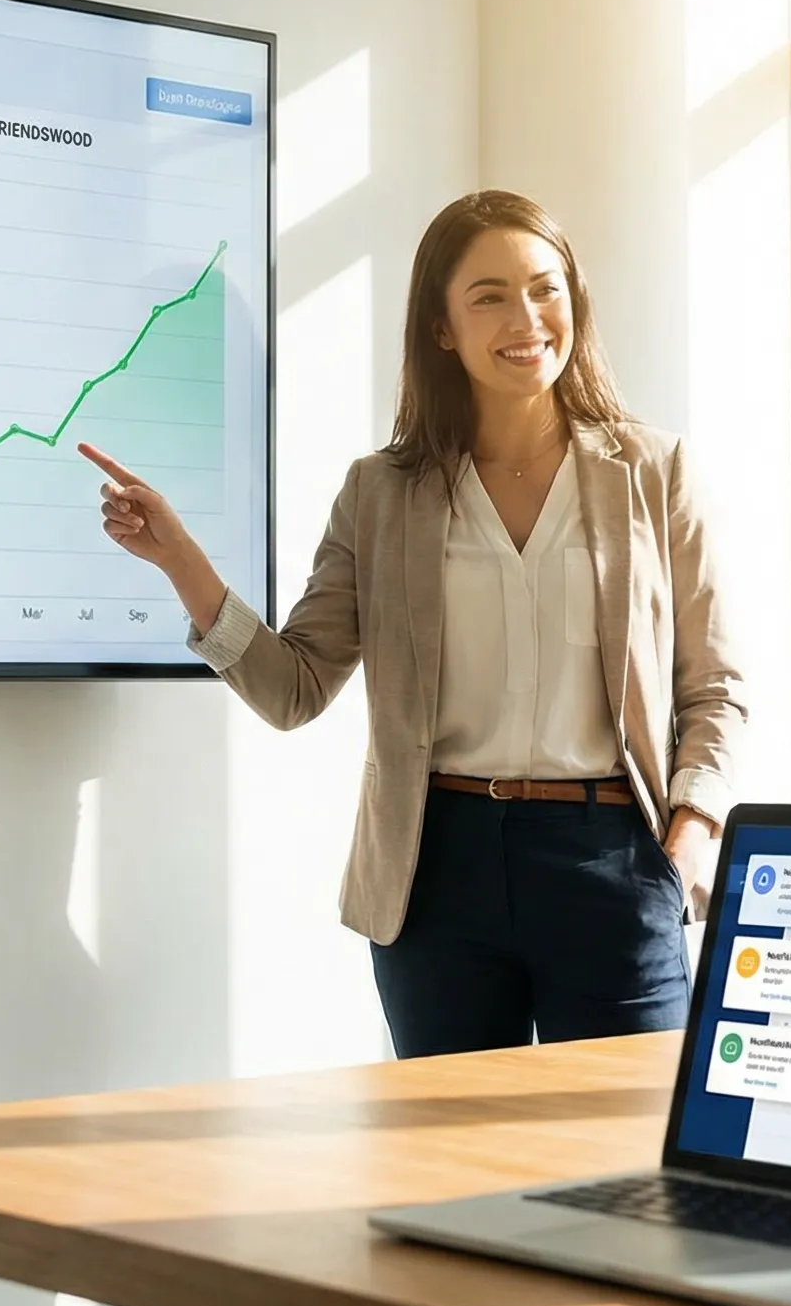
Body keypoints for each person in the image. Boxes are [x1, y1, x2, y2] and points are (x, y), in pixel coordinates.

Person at [81, 189, 746, 1058]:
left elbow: (715, 686)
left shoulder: (655, 471)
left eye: (545, 289)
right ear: (441, 328)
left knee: (629, 1130)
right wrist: (182, 563)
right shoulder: (383, 493)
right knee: (454, 1140)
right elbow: (294, 688)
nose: (526, 318)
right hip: (436, 871)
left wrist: (691, 834)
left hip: (612, 857)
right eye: (490, 296)